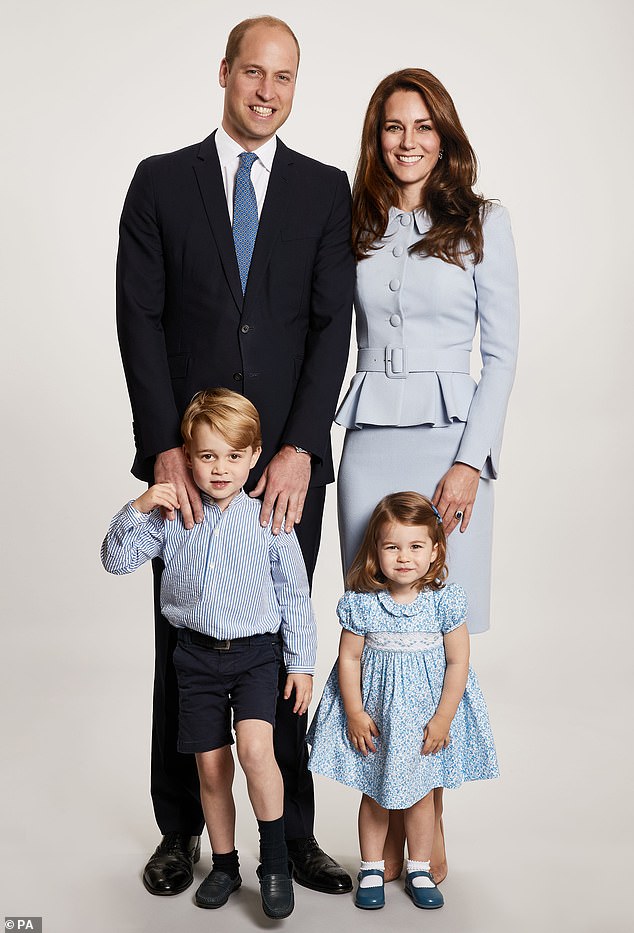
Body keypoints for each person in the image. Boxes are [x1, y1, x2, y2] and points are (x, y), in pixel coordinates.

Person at [115, 15, 354, 896]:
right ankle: (180, 828)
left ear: (296, 86)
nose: (267, 91)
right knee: (183, 646)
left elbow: (334, 328)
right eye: (253, 72)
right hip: (191, 462)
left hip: (282, 470)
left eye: (284, 77)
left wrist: (299, 446)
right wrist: (162, 452)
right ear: (225, 73)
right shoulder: (161, 182)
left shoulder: (326, 191)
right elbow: (137, 319)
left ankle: (289, 837)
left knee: (283, 642)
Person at [336, 68, 519, 882]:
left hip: (450, 444)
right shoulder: (356, 221)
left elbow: (504, 352)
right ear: (376, 139)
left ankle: (429, 822)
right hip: (370, 439)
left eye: (422, 126)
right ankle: (382, 832)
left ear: (444, 136)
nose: (407, 141)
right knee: (379, 639)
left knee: (437, 634)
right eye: (391, 127)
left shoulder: (484, 222)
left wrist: (470, 461)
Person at [102, 389, 317, 919]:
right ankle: (225, 864)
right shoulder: (175, 517)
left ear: (254, 455)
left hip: (255, 657)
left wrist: (302, 663)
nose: (220, 469)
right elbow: (115, 559)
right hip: (195, 658)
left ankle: (275, 863)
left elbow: (295, 595)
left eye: (233, 456)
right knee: (212, 767)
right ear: (188, 456)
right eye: (207, 456)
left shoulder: (268, 520)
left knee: (255, 752)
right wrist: (139, 506)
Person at [307, 492, 498, 910]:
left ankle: (419, 866)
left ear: (435, 551)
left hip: (426, 723)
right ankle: (372, 866)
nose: (404, 557)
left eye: (415, 546)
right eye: (392, 546)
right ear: (376, 551)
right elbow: (349, 659)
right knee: (374, 794)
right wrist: (354, 713)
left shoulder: (444, 602)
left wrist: (444, 717)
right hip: (378, 720)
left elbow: (458, 660)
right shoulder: (362, 604)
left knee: (421, 795)